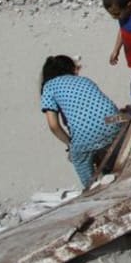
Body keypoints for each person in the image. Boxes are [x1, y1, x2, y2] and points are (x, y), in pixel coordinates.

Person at [40, 55, 122, 188]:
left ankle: (92, 188)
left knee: (79, 158)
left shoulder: (48, 87)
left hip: (86, 133)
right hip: (113, 122)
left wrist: (70, 145)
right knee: (108, 151)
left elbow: (53, 125)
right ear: (70, 69)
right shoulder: (84, 80)